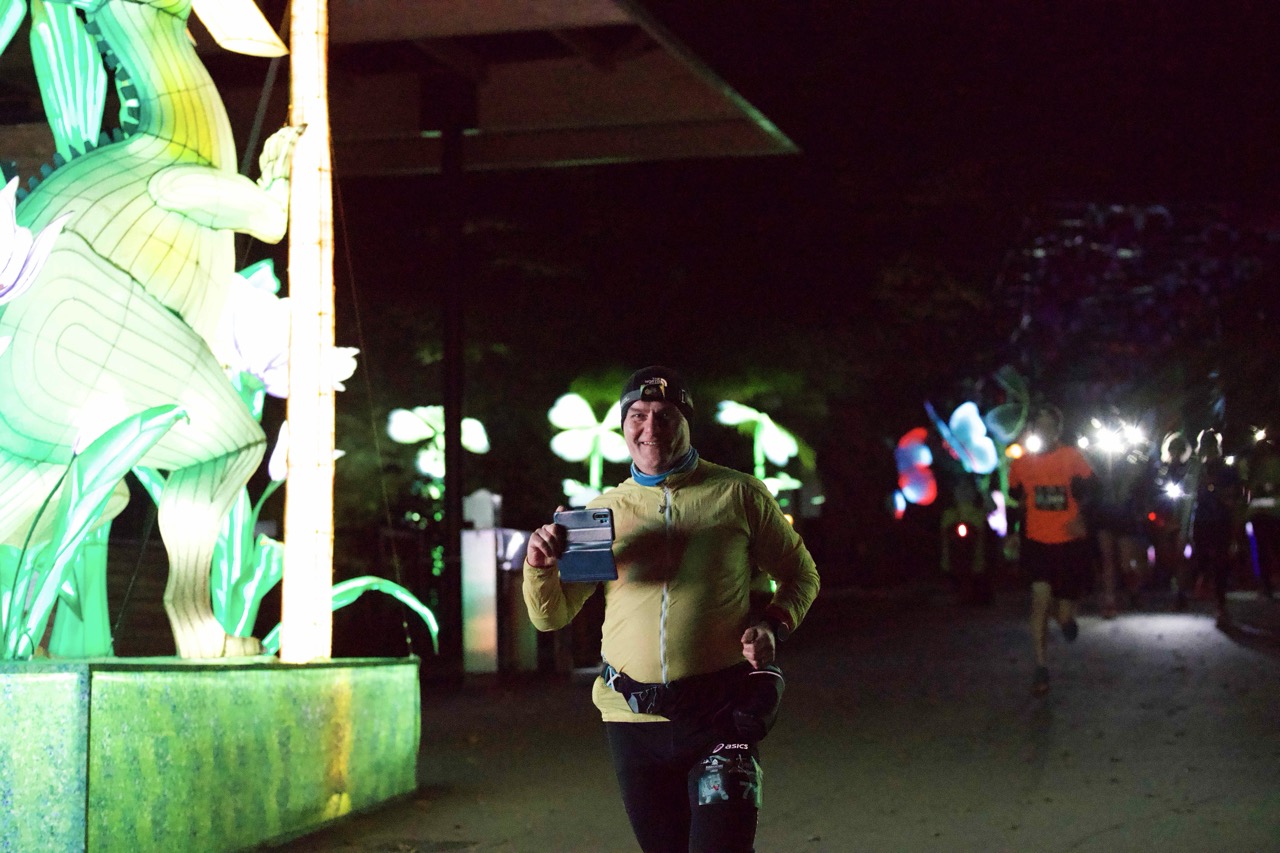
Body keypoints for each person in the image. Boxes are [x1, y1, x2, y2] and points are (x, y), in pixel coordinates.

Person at [523, 366, 820, 853]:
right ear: (623, 426)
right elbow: (551, 617)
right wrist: (539, 567)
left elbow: (801, 575)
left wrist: (773, 624)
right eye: (637, 416)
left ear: (687, 422)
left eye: (665, 415)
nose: (651, 428)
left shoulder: (738, 493)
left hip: (720, 717)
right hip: (631, 722)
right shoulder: (602, 511)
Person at [1008, 404, 1095, 697]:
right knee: (1039, 602)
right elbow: (1015, 496)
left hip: (1067, 544)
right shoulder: (1022, 462)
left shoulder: (1071, 457)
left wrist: (1081, 516)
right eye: (1039, 425)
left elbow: (1094, 489)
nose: (1044, 431)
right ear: (1032, 430)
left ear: (1058, 430)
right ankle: (1041, 667)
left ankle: (1067, 620)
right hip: (1037, 543)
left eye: (1050, 426)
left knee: (1062, 611)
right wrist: (1013, 533)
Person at [1183, 428, 1243, 627]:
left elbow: (1232, 497)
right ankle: (1202, 584)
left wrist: (1215, 488)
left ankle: (1220, 604)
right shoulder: (1196, 470)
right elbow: (1187, 494)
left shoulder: (1227, 470)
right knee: (1201, 557)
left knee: (1220, 562)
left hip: (1220, 520)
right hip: (1202, 520)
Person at [1243, 436, 1279, 600]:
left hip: (1265, 513)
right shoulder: (1256, 467)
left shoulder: (1261, 466)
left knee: (1265, 550)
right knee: (1266, 550)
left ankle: (1266, 584)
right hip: (1266, 513)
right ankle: (1266, 584)